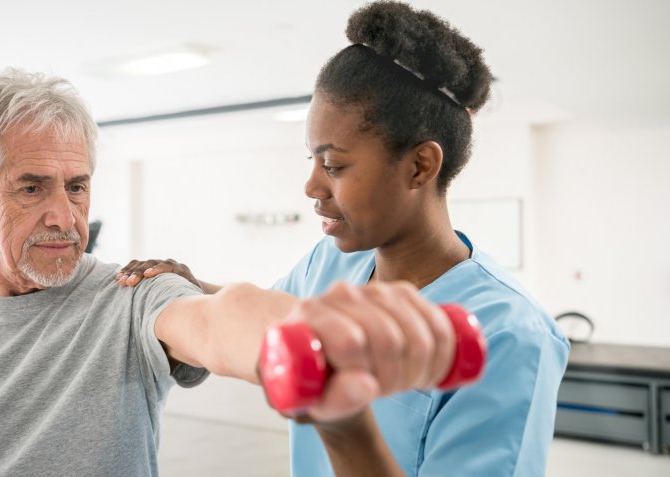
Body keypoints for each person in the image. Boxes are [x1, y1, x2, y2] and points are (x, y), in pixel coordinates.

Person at [0, 68, 458, 477]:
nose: (63, 216)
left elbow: (221, 321)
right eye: (30, 188)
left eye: (77, 187)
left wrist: (319, 335)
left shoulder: (131, 294)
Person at [117, 2, 570, 476]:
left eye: (333, 165)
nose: (311, 187)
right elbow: (272, 312)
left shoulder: (509, 335)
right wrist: (192, 285)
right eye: (312, 161)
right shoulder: (329, 263)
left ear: (420, 166)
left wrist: (342, 421)